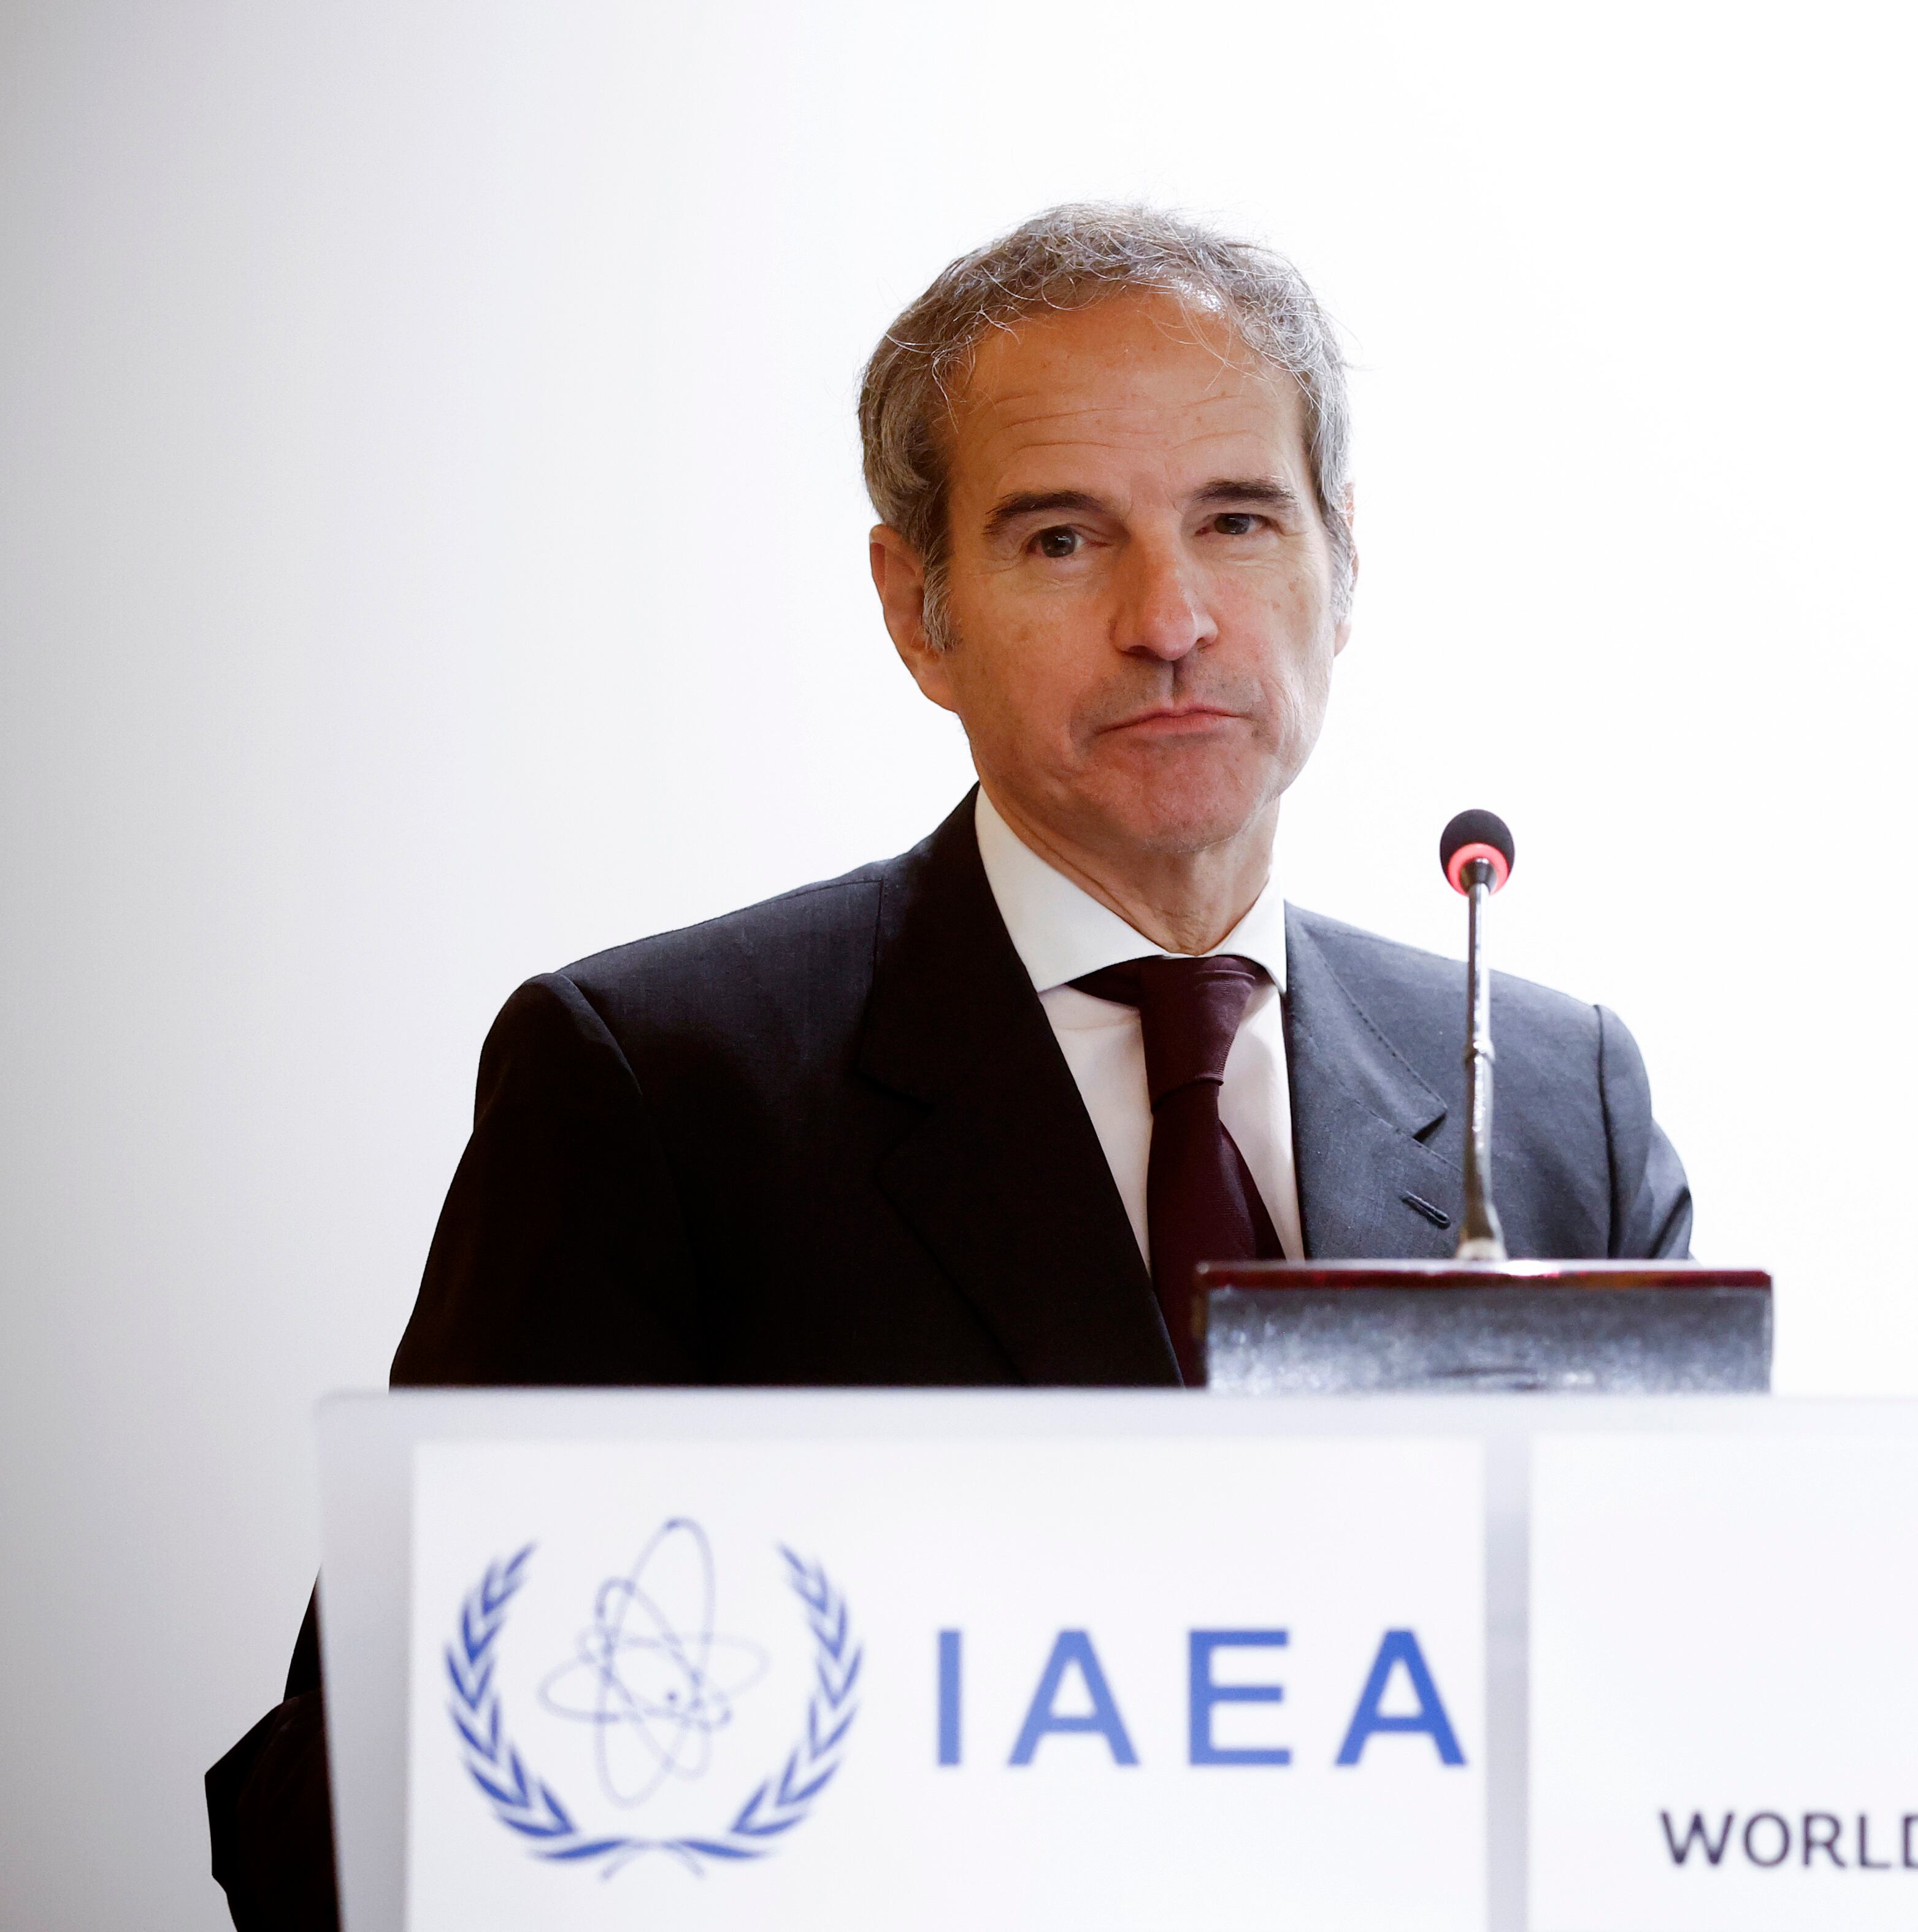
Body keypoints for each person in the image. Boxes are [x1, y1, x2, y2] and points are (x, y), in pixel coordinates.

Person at [202, 203, 1693, 1928]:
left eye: (1236, 519)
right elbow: (346, 1817)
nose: (1171, 619)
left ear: (1340, 562)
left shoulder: (1557, 1096)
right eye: (1063, 539)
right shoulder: (661, 1091)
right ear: (919, 612)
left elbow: (1684, 1712)